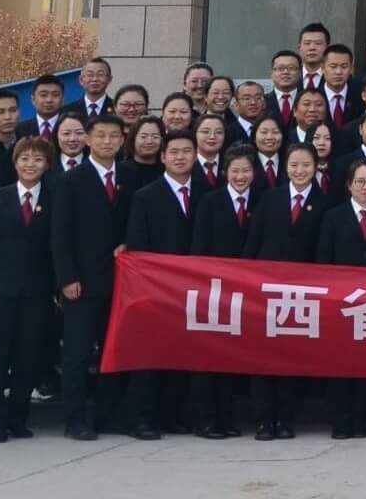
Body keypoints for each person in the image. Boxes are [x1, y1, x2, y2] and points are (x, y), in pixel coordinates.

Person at [49, 113, 129, 440]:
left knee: (114, 350)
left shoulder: (130, 176)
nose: (107, 141)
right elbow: (60, 234)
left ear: (122, 140)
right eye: (101, 136)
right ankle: (75, 418)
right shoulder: (71, 180)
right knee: (78, 354)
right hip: (81, 283)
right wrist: (66, 278)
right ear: (87, 140)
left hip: (122, 283)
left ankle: (106, 414)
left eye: (114, 136)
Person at [123, 131, 201, 440]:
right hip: (155, 289)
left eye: (186, 151)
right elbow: (137, 246)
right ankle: (142, 418)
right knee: (149, 355)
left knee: (181, 353)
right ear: (163, 157)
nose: (181, 157)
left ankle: (173, 415)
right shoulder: (145, 196)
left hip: (193, 290)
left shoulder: (206, 192)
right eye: (174, 152)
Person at [243, 144, 324, 440]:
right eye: (294, 165)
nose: (300, 171)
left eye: (306, 165)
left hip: (303, 293)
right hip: (265, 290)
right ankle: (264, 420)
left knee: (291, 357)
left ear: (315, 167)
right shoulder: (270, 198)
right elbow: (254, 241)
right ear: (285, 167)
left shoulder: (324, 202)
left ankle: (286, 419)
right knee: (262, 356)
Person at [316, 160, 366, 438]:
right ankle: (340, 422)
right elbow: (323, 260)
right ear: (349, 185)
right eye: (360, 181)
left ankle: (361, 420)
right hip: (340, 304)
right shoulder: (333, 217)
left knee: (365, 363)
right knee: (339, 363)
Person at [189, 148, 259, 438]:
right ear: (224, 173)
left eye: (246, 171)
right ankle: (205, 420)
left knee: (233, 356)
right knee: (210, 355)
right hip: (214, 290)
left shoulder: (262, 201)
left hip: (248, 291)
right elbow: (199, 246)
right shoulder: (210, 202)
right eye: (235, 171)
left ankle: (227, 418)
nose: (240, 176)